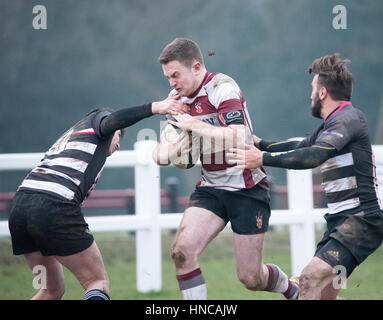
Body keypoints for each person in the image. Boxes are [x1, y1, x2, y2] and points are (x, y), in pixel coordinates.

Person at [226, 53, 383, 299]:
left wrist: (262, 159)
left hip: (361, 221)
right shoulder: (332, 123)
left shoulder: (348, 119)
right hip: (342, 222)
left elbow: (313, 156)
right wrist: (262, 144)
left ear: (322, 93)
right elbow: (301, 145)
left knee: (309, 278)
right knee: (323, 296)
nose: (310, 95)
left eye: (312, 89)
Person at [152, 38, 298, 300]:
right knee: (181, 252)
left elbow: (236, 135)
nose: (171, 83)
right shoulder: (176, 99)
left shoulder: (223, 87)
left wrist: (193, 125)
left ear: (196, 67)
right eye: (167, 78)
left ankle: (292, 289)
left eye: (175, 75)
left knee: (251, 278)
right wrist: (173, 150)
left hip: (247, 187)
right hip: (211, 188)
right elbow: (161, 154)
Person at [8, 96, 187, 300]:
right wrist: (155, 108)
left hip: (20, 209)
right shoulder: (98, 120)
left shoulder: (72, 139)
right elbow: (112, 121)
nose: (118, 144)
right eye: (119, 135)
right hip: (51, 206)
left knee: (51, 290)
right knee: (97, 282)